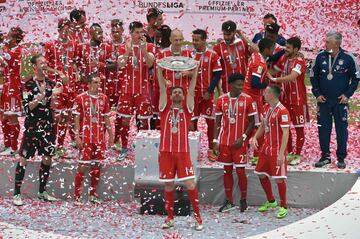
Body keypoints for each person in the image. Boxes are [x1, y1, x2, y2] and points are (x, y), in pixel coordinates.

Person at [157, 58, 203, 231]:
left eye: (179, 92)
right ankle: (169, 219)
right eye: (174, 92)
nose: (177, 94)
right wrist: (159, 69)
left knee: (190, 184)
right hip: (166, 152)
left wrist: (196, 69)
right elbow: (162, 87)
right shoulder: (164, 108)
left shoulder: (188, 108)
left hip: (182, 153)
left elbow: (192, 89)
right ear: (170, 95)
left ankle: (198, 218)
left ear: (183, 97)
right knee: (168, 185)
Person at [12, 54, 63, 206]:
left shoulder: (50, 83)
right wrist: (44, 95)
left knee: (47, 157)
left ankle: (42, 191)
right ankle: (16, 193)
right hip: (32, 125)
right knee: (24, 158)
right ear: (34, 66)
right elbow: (28, 108)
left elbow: (53, 102)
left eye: (45, 62)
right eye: (41, 62)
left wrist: (55, 106)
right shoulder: (27, 84)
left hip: (47, 125)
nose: (44, 64)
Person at [310, 32, 359, 169]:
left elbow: (356, 78)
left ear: (337, 44)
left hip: (340, 102)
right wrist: (317, 94)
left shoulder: (348, 58)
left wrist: (347, 95)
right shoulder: (320, 57)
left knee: (341, 130)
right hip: (324, 101)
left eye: (327, 42)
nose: (325, 44)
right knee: (323, 129)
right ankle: (325, 156)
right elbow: (313, 77)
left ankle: (341, 157)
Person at [213, 73, 256, 213]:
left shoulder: (248, 100)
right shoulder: (221, 100)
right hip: (225, 143)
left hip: (239, 144)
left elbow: (252, 122)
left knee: (240, 171)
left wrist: (243, 138)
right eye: (238, 85)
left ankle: (243, 199)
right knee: (227, 171)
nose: (241, 87)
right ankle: (229, 201)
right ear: (230, 85)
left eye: (242, 84)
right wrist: (215, 140)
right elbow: (217, 122)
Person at [116, 21, 155, 159]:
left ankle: (144, 147)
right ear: (131, 33)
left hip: (143, 91)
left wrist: (144, 51)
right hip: (127, 90)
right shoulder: (123, 47)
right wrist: (127, 51)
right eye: (136, 32)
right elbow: (120, 64)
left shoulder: (150, 46)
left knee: (144, 121)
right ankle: (124, 147)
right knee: (125, 121)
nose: (139, 35)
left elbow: (150, 64)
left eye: (141, 32)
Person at [73, 73, 113, 205]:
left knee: (96, 165)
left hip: (99, 137)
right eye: (95, 82)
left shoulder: (104, 98)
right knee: (82, 166)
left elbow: (106, 118)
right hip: (86, 137)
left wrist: (111, 135)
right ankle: (77, 196)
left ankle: (92, 194)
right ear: (88, 84)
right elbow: (77, 118)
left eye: (99, 82)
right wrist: (77, 136)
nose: (98, 85)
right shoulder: (80, 98)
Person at [250, 85, 290, 219]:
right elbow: (263, 125)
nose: (263, 94)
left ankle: (284, 206)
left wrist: (281, 153)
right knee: (260, 174)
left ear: (272, 95)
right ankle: (271, 200)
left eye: (266, 92)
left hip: (277, 150)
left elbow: (286, 133)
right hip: (266, 149)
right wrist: (255, 137)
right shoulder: (266, 108)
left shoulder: (282, 111)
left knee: (279, 178)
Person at [269, 37, 308, 165]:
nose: (286, 49)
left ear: (296, 49)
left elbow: (292, 77)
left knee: (298, 128)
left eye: (289, 47)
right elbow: (275, 70)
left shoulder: (300, 61)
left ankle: (298, 154)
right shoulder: (284, 58)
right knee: (285, 126)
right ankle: (289, 151)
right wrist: (263, 72)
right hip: (285, 99)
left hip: (297, 100)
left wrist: (275, 80)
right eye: (286, 46)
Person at [44, 18, 78, 158]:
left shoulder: (73, 44)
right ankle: (51, 144)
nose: (67, 31)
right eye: (64, 29)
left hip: (70, 88)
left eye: (69, 28)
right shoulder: (50, 45)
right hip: (56, 88)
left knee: (66, 116)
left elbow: (74, 62)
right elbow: (45, 66)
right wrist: (59, 73)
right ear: (59, 30)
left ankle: (60, 146)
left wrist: (76, 73)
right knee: (55, 118)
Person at [191, 29, 222, 161]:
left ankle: (211, 149)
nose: (194, 42)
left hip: (208, 95)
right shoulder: (190, 55)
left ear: (204, 40)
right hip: (193, 95)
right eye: (193, 39)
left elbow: (217, 75)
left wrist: (209, 91)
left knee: (211, 122)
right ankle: (193, 149)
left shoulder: (213, 55)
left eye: (197, 40)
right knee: (192, 122)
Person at [242, 38, 274, 165]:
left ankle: (243, 151)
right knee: (259, 125)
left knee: (247, 125)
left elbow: (254, 48)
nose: (273, 51)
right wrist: (266, 84)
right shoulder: (259, 64)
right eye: (272, 49)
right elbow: (255, 83)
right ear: (266, 50)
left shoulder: (255, 55)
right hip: (253, 97)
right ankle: (256, 155)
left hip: (247, 94)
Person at [213, 20, 258, 94]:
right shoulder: (218, 47)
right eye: (224, 34)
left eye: (229, 34)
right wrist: (219, 91)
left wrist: (241, 35)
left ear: (234, 32)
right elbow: (216, 71)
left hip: (243, 85)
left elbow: (256, 51)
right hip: (227, 86)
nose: (226, 37)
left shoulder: (242, 43)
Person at [0, 27, 24, 156]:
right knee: (3, 116)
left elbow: (6, 60)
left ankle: (14, 148)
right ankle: (8, 144)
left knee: (12, 116)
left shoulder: (18, 51)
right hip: (5, 87)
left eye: (8, 36)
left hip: (13, 89)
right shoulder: (8, 50)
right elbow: (4, 65)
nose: (5, 38)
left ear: (14, 39)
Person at [107, 19, 124, 151]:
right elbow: (107, 66)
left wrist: (113, 65)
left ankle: (117, 139)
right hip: (108, 84)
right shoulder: (107, 45)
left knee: (119, 114)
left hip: (122, 84)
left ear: (122, 31)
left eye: (117, 31)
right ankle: (102, 139)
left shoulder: (127, 45)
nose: (115, 34)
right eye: (113, 31)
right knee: (104, 113)